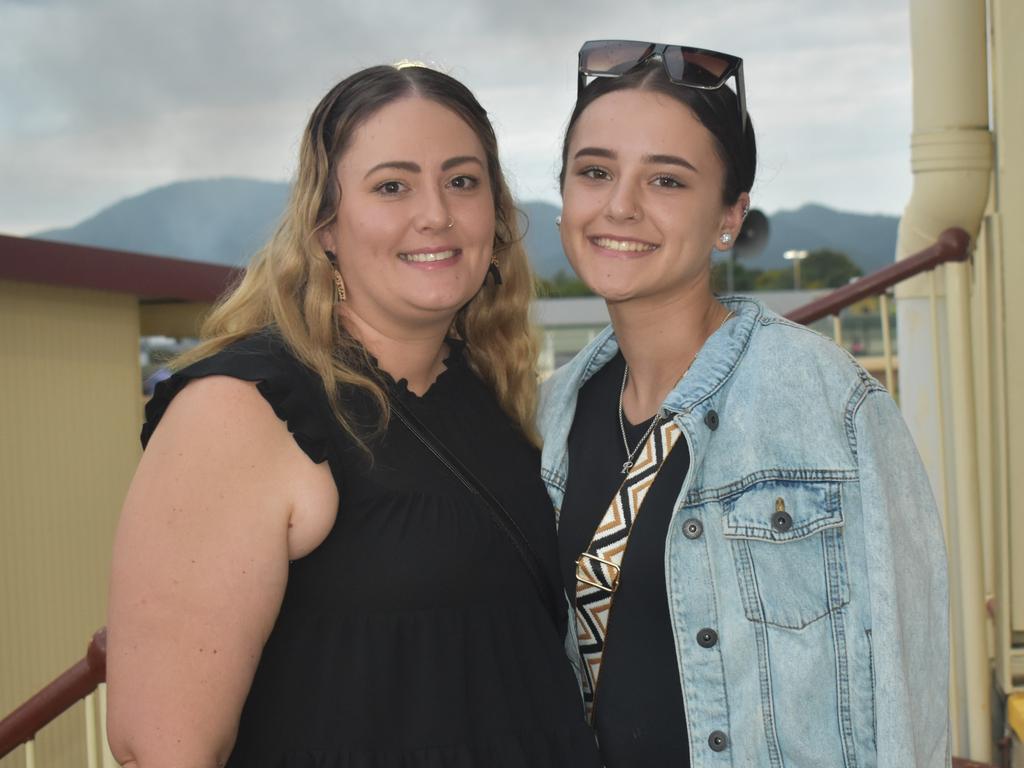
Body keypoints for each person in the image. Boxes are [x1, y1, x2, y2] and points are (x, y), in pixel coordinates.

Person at [107, 63, 601, 768]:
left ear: (495, 215)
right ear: (326, 227)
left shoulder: (494, 394)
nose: (435, 213)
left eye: (462, 181)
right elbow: (161, 747)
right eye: (392, 186)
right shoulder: (242, 408)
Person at [538, 41, 949, 767]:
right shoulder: (551, 414)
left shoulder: (834, 409)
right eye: (595, 171)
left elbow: (906, 688)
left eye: (667, 180)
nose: (620, 205)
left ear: (730, 216)